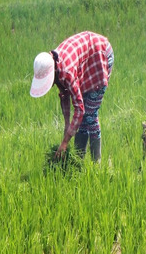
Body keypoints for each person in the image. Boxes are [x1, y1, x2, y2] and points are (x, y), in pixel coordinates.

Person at [30, 31, 114, 162]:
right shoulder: (54, 66)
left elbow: (79, 109)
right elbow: (64, 95)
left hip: (100, 55)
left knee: (90, 114)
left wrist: (64, 142)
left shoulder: (66, 72)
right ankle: (78, 160)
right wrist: (67, 125)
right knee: (81, 119)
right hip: (86, 62)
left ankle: (96, 164)